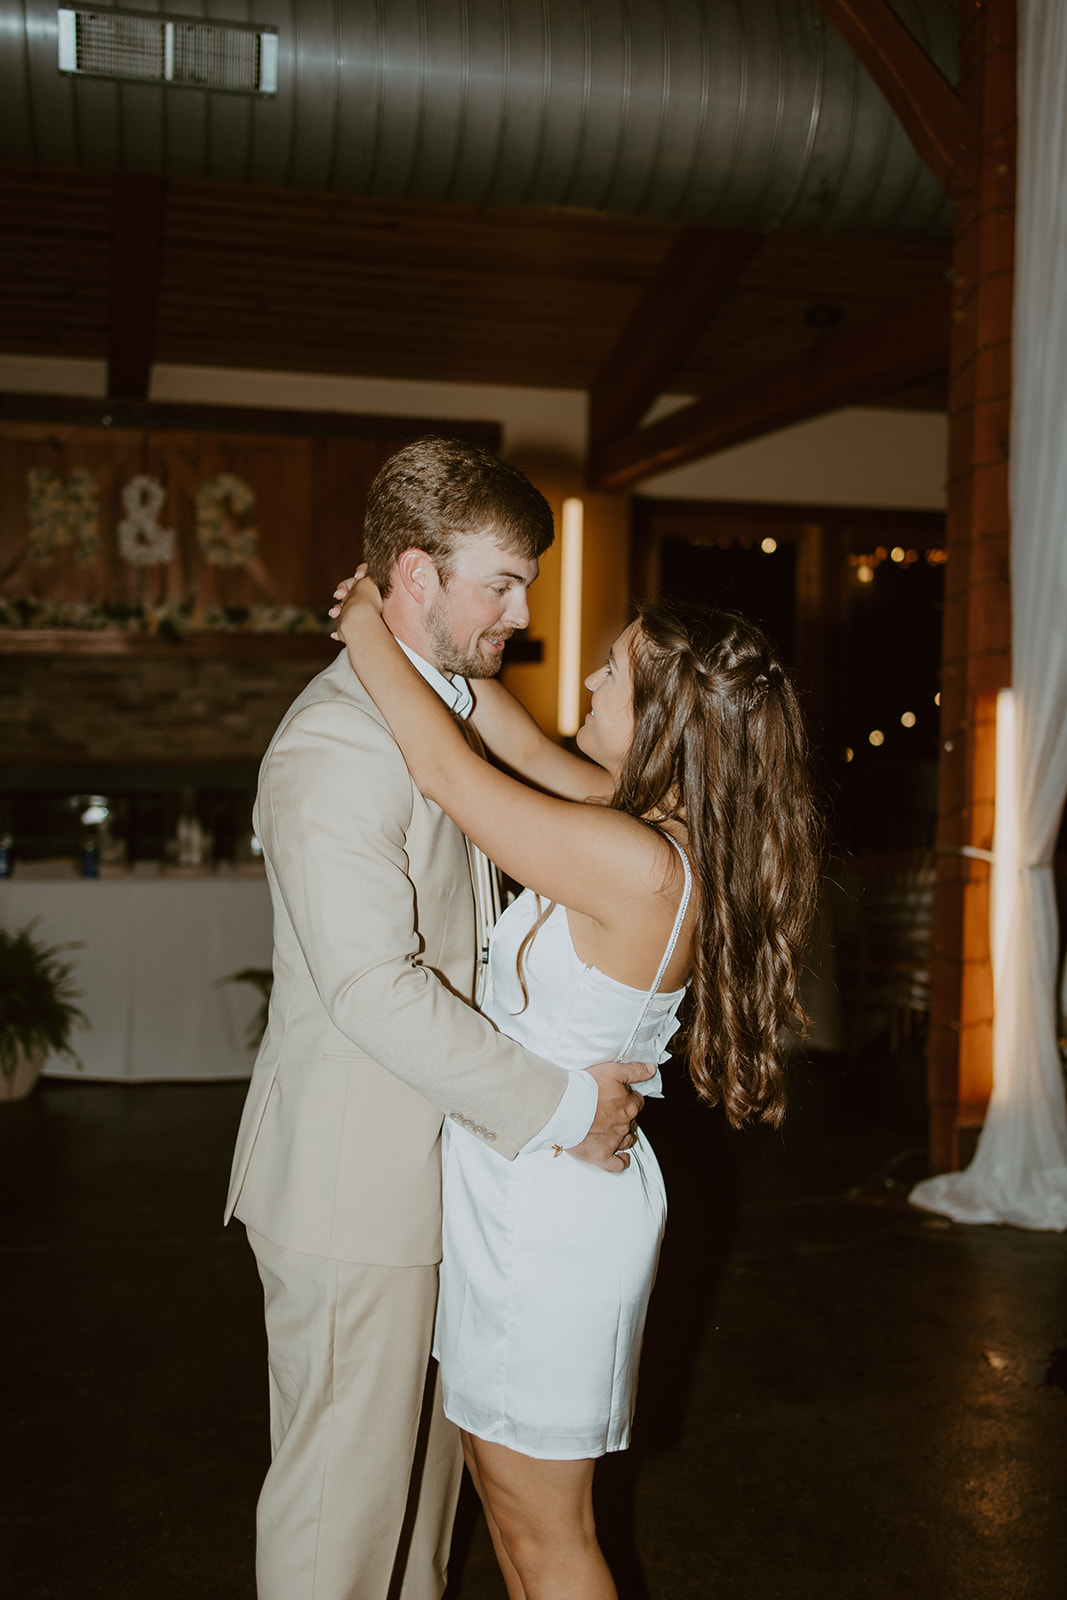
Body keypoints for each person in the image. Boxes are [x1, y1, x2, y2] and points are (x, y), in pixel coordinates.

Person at [225, 437, 654, 1600]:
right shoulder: (335, 740)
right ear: (415, 575)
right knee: (338, 1524)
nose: (522, 613)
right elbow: (374, 986)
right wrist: (563, 1106)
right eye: (501, 583)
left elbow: (543, 773)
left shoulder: (442, 704)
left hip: (438, 1178)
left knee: (416, 1520)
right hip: (352, 1188)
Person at [334, 577, 821, 1599]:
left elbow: (444, 769)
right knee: (511, 1516)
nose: (590, 680)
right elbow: (502, 732)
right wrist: (428, 628)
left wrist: (362, 622)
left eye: (612, 671)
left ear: (663, 720)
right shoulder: (636, 825)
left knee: (545, 1536)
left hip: (549, 1227)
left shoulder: (635, 862)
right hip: (525, 1186)